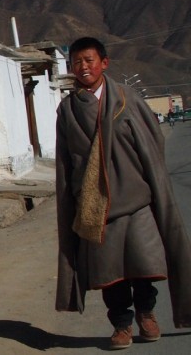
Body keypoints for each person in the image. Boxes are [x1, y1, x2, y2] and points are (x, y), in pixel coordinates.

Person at [55, 37, 191, 350]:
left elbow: (152, 142)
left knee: (143, 266)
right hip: (96, 206)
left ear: (104, 63)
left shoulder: (127, 99)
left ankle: (147, 314)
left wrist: (146, 180)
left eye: (89, 60)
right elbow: (65, 160)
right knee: (110, 273)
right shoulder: (69, 110)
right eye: (77, 62)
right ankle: (121, 325)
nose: (83, 67)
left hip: (136, 201)